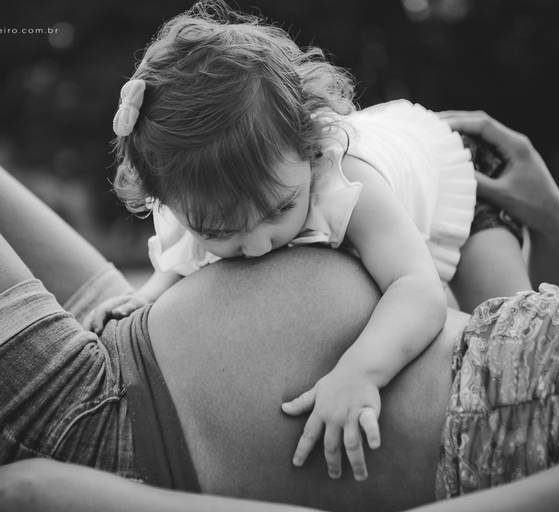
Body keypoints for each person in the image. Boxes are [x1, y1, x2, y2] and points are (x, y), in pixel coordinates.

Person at [0, 84, 559, 512]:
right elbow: (506, 344)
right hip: (122, 333)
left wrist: (52, 495)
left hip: (98, 445)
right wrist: (544, 222)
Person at [83, 3, 523, 477]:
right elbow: (179, 259)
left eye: (278, 210)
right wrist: (145, 297)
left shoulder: (347, 180)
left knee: (514, 344)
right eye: (218, 231)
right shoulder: (200, 197)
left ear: (309, 143)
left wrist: (361, 372)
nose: (255, 247)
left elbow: (418, 289)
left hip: (456, 174)